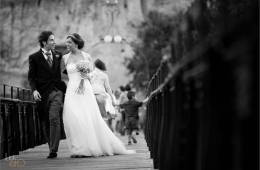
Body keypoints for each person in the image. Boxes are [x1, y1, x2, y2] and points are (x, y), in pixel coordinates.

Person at [62, 33, 135, 158]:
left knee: (88, 117)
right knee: (73, 118)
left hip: (85, 89)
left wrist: (86, 75)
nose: (66, 44)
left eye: (69, 42)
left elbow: (91, 74)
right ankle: (78, 147)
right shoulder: (65, 58)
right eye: (66, 42)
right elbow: (64, 75)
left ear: (76, 43)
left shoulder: (86, 56)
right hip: (71, 90)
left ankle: (89, 146)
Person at [28, 31, 66, 159]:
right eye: (51, 40)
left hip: (57, 92)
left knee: (54, 118)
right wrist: (34, 90)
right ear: (44, 42)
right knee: (45, 121)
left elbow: (66, 69)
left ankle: (54, 149)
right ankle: (51, 147)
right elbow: (31, 77)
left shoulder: (58, 55)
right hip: (42, 94)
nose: (54, 42)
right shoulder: (34, 57)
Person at [91, 59, 116, 131]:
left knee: (94, 116)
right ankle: (105, 133)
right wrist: (112, 99)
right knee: (103, 116)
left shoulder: (90, 74)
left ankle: (96, 133)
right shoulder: (104, 75)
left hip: (92, 96)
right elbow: (108, 88)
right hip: (101, 96)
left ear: (95, 65)